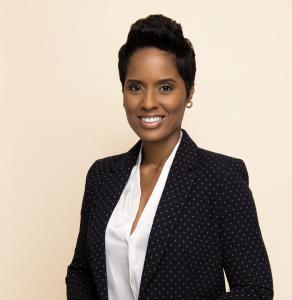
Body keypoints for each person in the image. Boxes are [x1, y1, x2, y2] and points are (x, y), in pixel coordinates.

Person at [65, 14, 274, 299]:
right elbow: (81, 272)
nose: (148, 102)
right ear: (123, 92)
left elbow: (255, 289)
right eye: (135, 87)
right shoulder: (102, 176)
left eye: (165, 87)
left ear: (189, 92)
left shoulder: (221, 178)